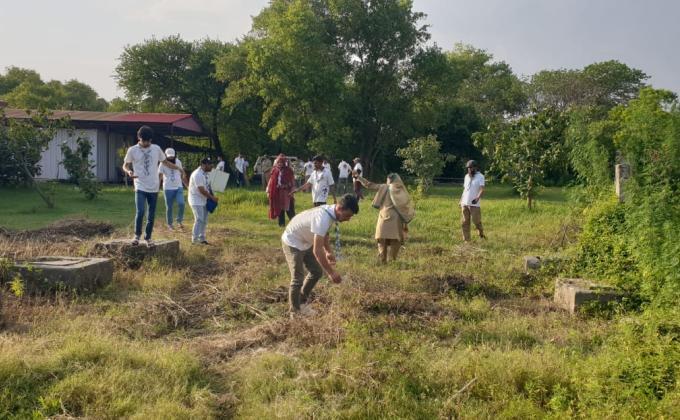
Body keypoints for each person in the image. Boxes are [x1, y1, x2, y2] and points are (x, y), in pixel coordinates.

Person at [281, 194, 359, 315]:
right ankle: (295, 312)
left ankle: (301, 302)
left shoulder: (331, 212)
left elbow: (324, 234)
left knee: (316, 272)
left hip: (306, 240)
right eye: (347, 215)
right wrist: (331, 272)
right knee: (297, 278)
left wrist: (328, 251)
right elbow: (317, 251)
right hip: (293, 241)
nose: (348, 219)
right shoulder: (323, 218)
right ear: (339, 208)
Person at [123, 125, 181, 246]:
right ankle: (137, 236)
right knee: (140, 211)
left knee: (151, 214)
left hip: (154, 186)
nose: (146, 143)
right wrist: (129, 172)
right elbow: (125, 165)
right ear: (139, 138)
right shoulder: (132, 150)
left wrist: (178, 168)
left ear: (151, 139)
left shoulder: (156, 149)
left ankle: (148, 237)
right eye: (144, 141)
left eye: (148, 141)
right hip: (140, 185)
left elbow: (165, 162)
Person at [357, 173, 415, 263]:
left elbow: (369, 185)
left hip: (383, 216)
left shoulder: (383, 187)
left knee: (381, 239)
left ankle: (382, 260)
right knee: (395, 240)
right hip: (396, 219)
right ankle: (392, 261)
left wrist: (359, 177)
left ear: (389, 180)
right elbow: (406, 205)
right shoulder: (401, 189)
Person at [188, 157, 219, 245]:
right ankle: (194, 240)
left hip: (204, 199)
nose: (211, 166)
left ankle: (202, 238)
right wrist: (212, 198)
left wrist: (212, 195)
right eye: (209, 164)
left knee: (204, 220)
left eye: (211, 164)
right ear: (203, 165)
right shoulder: (197, 174)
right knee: (199, 219)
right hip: (196, 200)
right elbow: (201, 190)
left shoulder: (206, 173)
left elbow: (208, 186)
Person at [158, 148, 188, 231]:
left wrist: (187, 185)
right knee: (169, 207)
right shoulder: (162, 163)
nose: (171, 158)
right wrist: (157, 187)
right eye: (169, 156)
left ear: (175, 155)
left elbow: (182, 174)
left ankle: (179, 221)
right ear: (165, 156)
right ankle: (170, 224)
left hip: (178, 186)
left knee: (181, 204)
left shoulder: (178, 162)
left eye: (172, 156)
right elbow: (160, 176)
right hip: (168, 188)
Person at [460, 160, 486, 242]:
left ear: (475, 167)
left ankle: (481, 234)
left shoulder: (480, 176)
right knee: (465, 222)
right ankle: (467, 240)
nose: (469, 169)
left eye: (471, 168)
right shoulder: (466, 177)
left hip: (474, 204)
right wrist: (461, 200)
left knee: (476, 221)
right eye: (468, 168)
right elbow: (465, 189)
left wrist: (477, 198)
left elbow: (482, 189)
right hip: (465, 203)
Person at [267, 154, 296, 227]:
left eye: (281, 162)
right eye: (278, 162)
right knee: (279, 209)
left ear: (284, 163)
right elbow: (271, 181)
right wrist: (268, 191)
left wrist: (292, 191)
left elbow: (292, 182)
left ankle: (295, 224)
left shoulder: (288, 170)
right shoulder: (274, 170)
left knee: (289, 209)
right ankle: (281, 224)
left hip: (287, 193)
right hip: (277, 192)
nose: (279, 164)